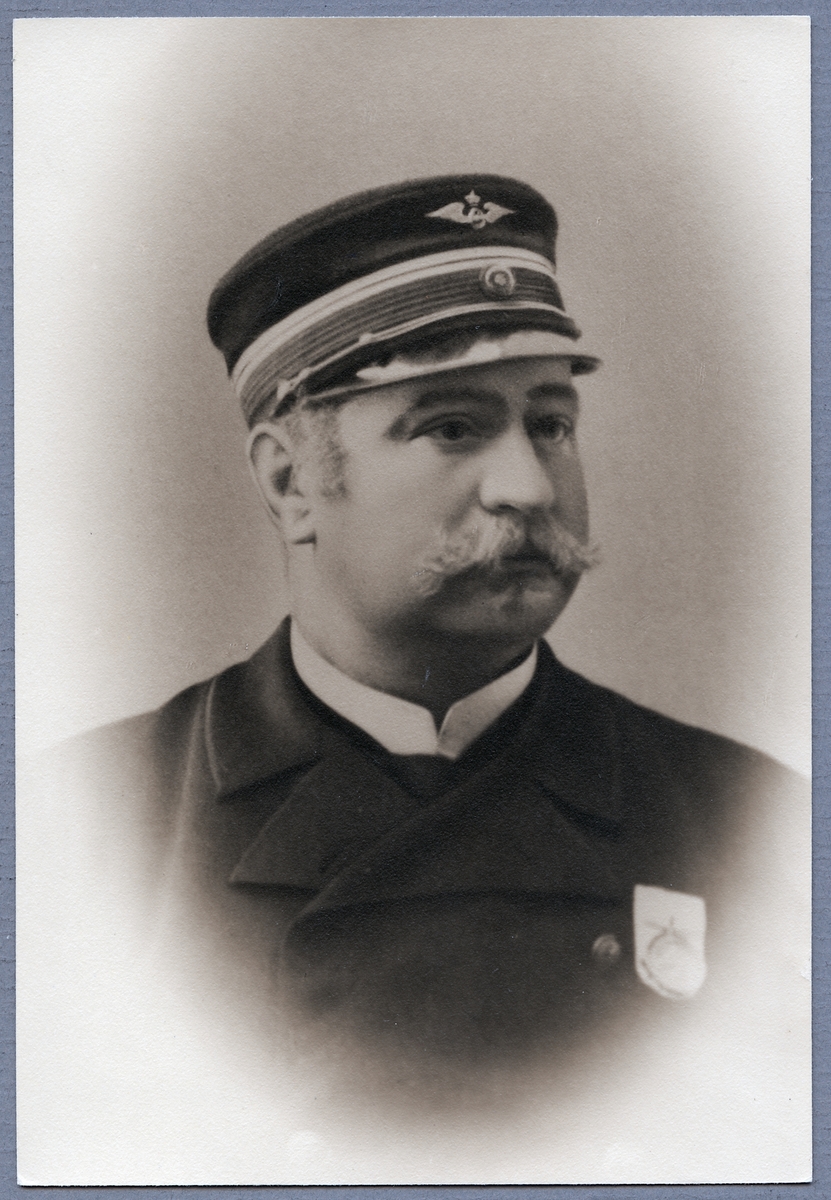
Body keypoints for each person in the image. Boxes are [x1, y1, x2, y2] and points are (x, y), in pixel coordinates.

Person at [46, 175, 808, 1084]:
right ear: (291, 484)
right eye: (451, 428)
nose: (528, 488)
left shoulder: (760, 825)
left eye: (550, 425)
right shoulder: (70, 832)